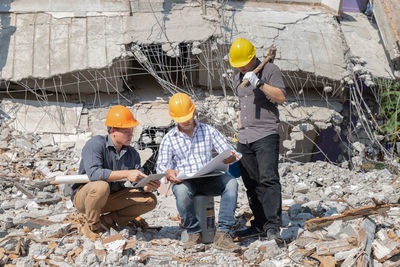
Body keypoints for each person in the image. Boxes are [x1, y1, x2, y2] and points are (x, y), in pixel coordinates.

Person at [156, 93, 240, 251]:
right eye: (181, 119)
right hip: (185, 182)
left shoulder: (209, 131)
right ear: (174, 118)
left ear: (194, 112)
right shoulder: (169, 138)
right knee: (180, 192)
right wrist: (168, 172)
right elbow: (161, 166)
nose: (186, 121)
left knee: (231, 182)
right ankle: (194, 232)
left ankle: (223, 233)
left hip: (209, 180)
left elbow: (230, 151)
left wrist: (231, 157)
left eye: (188, 116)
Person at [71, 105, 160, 238]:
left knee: (149, 200)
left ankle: (108, 220)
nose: (131, 135)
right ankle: (93, 226)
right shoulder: (95, 144)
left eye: (132, 131)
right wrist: (127, 174)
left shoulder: (132, 154)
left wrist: (147, 186)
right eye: (126, 131)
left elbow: (138, 182)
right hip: (86, 198)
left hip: (111, 197)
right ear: (113, 130)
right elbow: (94, 174)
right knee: (101, 186)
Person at [229, 38, 286, 241]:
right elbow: (242, 104)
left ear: (253, 57)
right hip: (244, 137)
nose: (241, 68)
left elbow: (280, 97)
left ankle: (272, 227)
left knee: (268, 180)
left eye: (243, 64)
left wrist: (259, 83)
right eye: (238, 65)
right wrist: (239, 130)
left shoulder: (270, 70)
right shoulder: (238, 75)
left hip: (265, 133)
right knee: (251, 183)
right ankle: (260, 224)